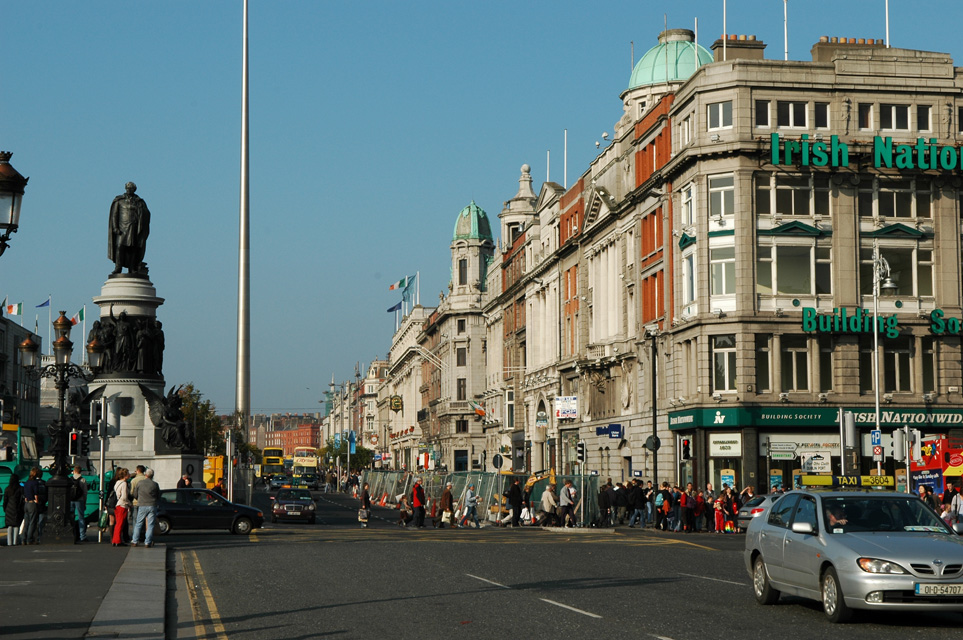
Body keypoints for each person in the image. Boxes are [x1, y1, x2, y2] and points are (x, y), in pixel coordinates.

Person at [109, 181, 151, 275]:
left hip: (134, 228)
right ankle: (118, 267)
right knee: (120, 247)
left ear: (134, 189)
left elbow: (146, 213)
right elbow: (114, 215)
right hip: (122, 228)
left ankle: (132, 268)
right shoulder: (119, 200)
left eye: (131, 188)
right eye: (127, 188)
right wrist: (115, 227)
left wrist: (142, 211)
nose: (129, 190)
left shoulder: (139, 201)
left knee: (132, 248)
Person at [130, 468, 159, 547]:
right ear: (152, 475)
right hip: (152, 505)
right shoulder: (155, 484)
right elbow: (158, 495)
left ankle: (135, 541)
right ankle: (148, 542)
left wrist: (139, 498)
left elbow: (135, 495)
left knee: (138, 523)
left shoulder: (140, 483)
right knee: (150, 525)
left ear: (146, 474)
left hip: (142, 505)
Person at [112, 468, 131, 547]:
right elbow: (124, 497)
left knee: (118, 524)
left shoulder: (117, 483)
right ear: (125, 475)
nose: (129, 475)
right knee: (120, 524)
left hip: (117, 504)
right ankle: (118, 540)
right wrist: (129, 503)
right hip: (122, 505)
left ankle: (115, 540)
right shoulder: (124, 484)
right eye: (128, 473)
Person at [22, 467, 41, 545]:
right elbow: (36, 493)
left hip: (26, 503)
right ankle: (29, 539)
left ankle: (23, 538)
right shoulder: (35, 483)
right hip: (32, 503)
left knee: (26, 522)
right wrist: (37, 501)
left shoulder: (27, 482)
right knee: (32, 522)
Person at [4, 474, 24, 546]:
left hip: (9, 509)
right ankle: (15, 541)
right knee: (16, 525)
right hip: (17, 509)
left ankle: (9, 542)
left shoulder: (7, 489)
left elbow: (5, 501)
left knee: (9, 526)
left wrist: (5, 508)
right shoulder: (20, 489)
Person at [71, 466, 89, 543]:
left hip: (71, 500)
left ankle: (72, 534)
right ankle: (82, 536)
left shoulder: (70, 479)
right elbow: (85, 492)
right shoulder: (83, 480)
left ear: (74, 471)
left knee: (71, 517)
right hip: (80, 500)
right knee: (81, 518)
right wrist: (84, 502)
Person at [129, 465, 147, 534]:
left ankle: (135, 536)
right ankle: (142, 535)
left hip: (136, 502)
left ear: (138, 471)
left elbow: (131, 492)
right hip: (145, 503)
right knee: (144, 521)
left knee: (136, 521)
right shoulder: (146, 479)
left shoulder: (134, 480)